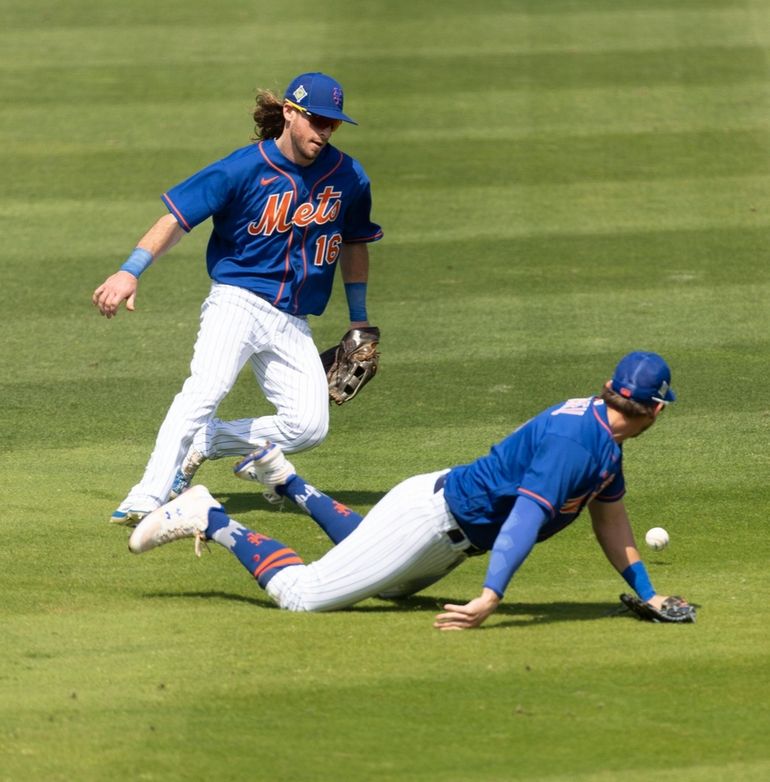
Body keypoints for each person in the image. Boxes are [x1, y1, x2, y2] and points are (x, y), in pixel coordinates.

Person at [128, 351, 691, 630]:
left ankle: (286, 479)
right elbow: (523, 518)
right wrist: (491, 597)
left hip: (440, 526)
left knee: (385, 582)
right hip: (428, 520)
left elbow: (609, 517)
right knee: (302, 595)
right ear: (657, 409)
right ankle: (210, 516)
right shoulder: (577, 442)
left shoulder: (602, 441)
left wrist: (645, 591)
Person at [93, 72, 383, 525]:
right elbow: (176, 217)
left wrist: (359, 319)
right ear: (290, 112)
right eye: (317, 120)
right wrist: (130, 271)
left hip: (292, 318)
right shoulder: (242, 168)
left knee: (309, 426)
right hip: (237, 300)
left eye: (333, 124)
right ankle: (146, 496)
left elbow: (354, 242)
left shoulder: (348, 177)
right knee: (204, 390)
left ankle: (209, 441)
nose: (324, 132)